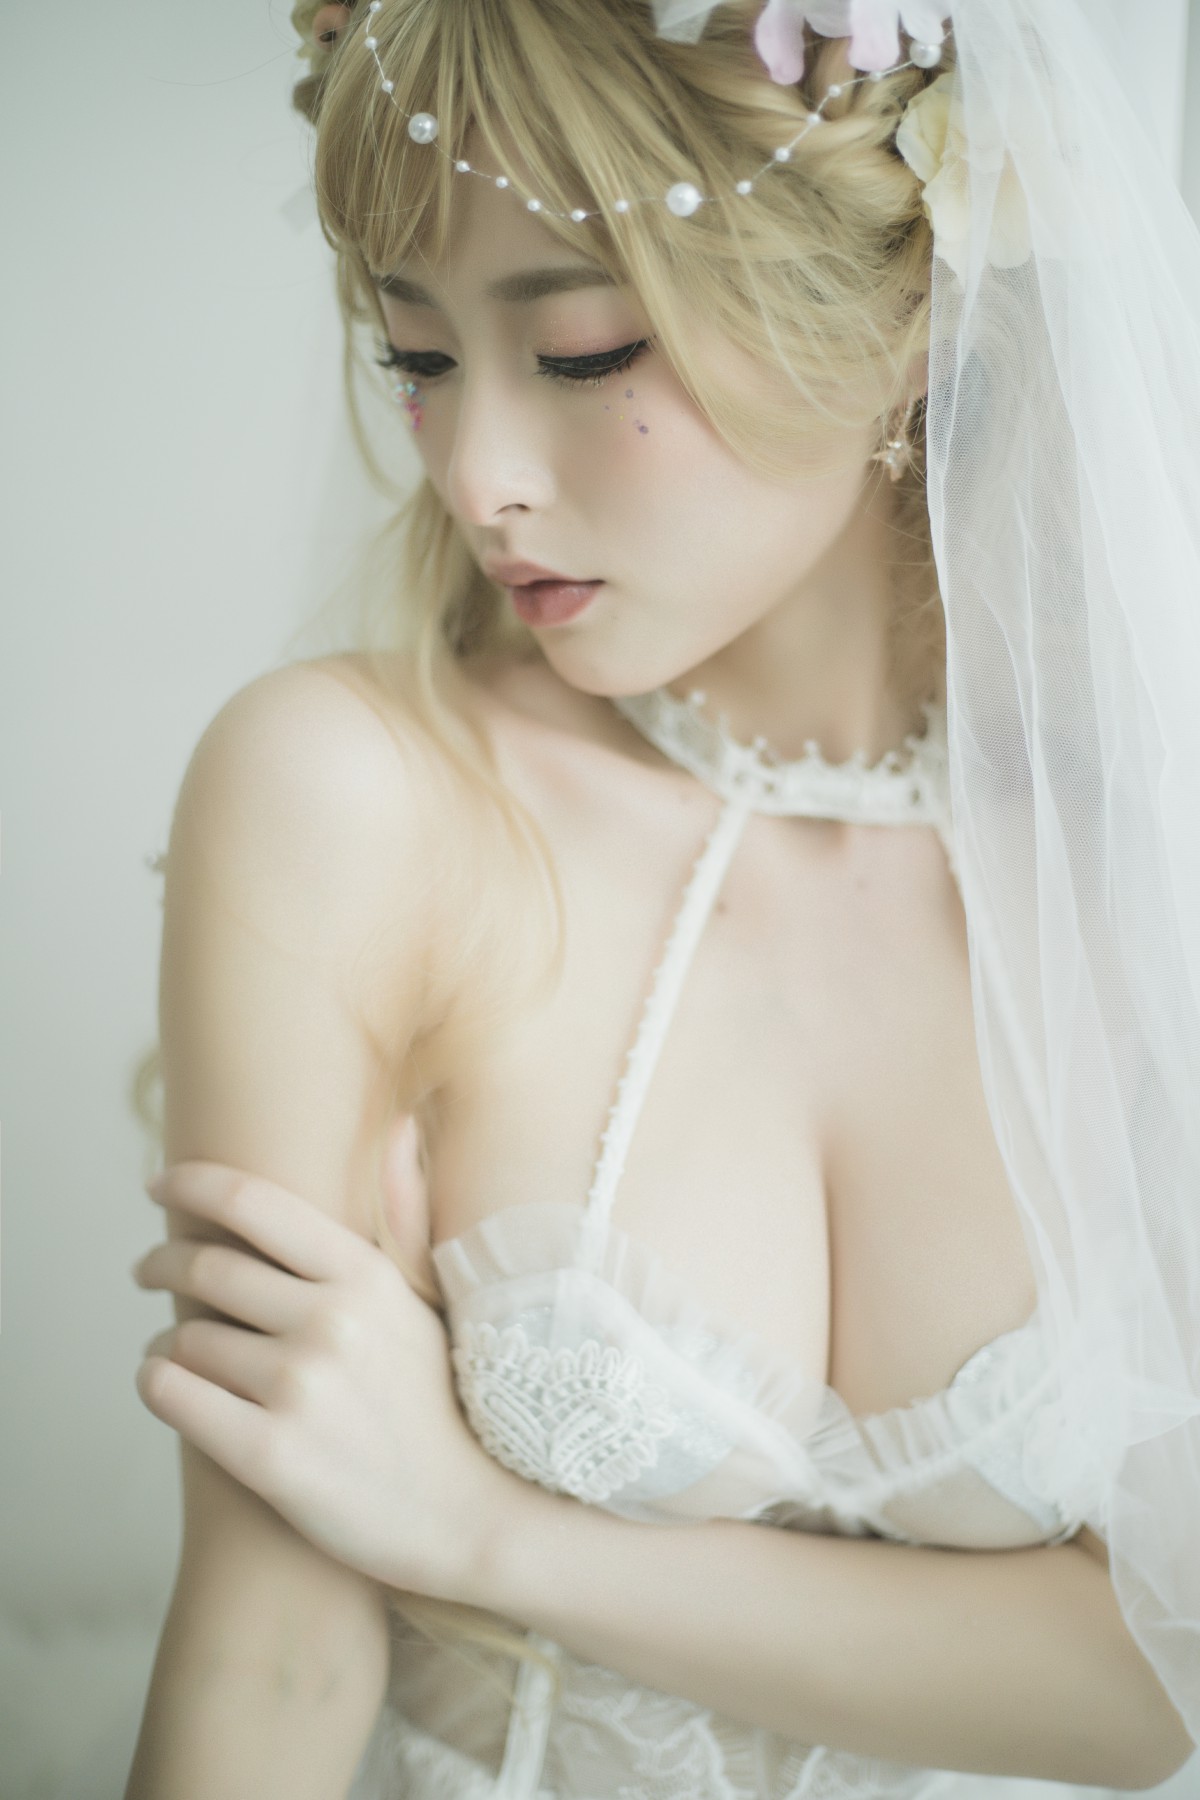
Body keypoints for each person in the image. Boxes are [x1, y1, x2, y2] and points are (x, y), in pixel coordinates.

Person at [123, 1, 1200, 1795]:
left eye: (584, 351)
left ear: (904, 320)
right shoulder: (353, 798)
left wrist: (483, 1532)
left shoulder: (1141, 861)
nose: (476, 477)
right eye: (415, 354)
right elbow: (273, 1656)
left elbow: (1153, 1684)